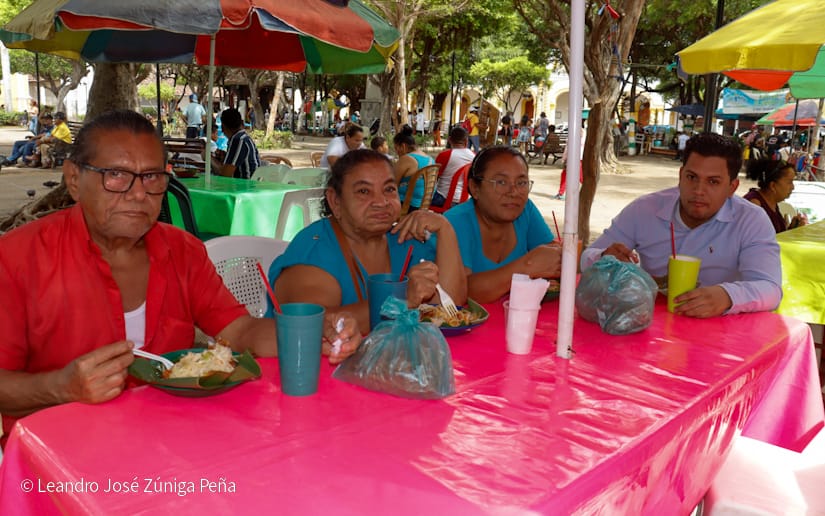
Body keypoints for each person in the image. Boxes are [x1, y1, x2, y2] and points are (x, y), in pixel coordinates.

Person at [0, 110, 361, 443]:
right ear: (74, 179)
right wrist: (62, 387)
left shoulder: (182, 251)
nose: (139, 193)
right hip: (57, 451)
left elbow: (238, 331)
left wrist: (316, 333)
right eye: (116, 175)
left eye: (152, 176)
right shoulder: (17, 259)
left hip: (169, 438)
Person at [581, 132, 782, 318]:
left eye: (713, 182)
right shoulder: (644, 209)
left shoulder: (751, 220)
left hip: (721, 333)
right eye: (691, 177)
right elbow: (585, 259)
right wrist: (603, 257)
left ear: (732, 187)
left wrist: (727, 296)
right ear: (680, 176)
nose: (698, 190)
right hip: (647, 323)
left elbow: (771, 289)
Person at [268, 149, 466, 332]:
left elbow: (451, 304)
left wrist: (445, 228)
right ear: (335, 201)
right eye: (364, 191)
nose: (382, 202)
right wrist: (402, 298)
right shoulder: (314, 251)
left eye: (389, 189)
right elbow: (312, 326)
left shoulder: (404, 238)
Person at [445, 146, 560, 303]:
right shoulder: (454, 222)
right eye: (501, 182)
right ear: (475, 188)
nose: (513, 192)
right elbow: (461, 291)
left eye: (521, 182)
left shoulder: (525, 210)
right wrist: (527, 267)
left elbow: (555, 259)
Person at [744, 158, 808, 233]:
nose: (793, 187)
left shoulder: (772, 203)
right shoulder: (754, 206)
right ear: (773, 186)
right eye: (789, 182)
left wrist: (791, 229)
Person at [393, 125, 435, 210]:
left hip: (406, 206)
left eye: (396, 149)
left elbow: (392, 185)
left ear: (403, 146)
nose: (397, 153)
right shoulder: (429, 158)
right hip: (424, 205)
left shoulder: (407, 159)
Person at [212, 107, 260, 179]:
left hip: (244, 186)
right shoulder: (243, 137)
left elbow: (225, 174)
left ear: (223, 126)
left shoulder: (238, 140)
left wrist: (209, 158)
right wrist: (225, 156)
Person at [432, 126, 474, 207]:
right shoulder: (474, 156)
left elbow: (434, 178)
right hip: (466, 199)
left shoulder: (445, 155)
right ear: (466, 141)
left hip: (443, 199)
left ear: (449, 140)